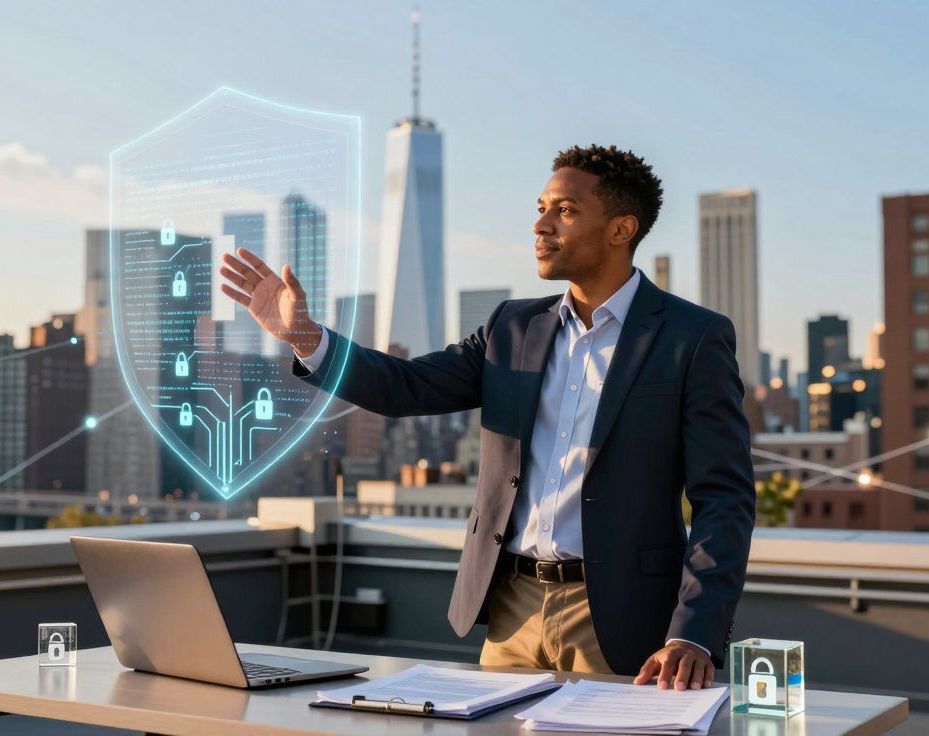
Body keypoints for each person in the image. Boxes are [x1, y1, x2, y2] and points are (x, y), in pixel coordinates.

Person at [218, 144, 755, 691]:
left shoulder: (692, 338)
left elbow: (725, 498)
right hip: (511, 610)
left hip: (623, 616)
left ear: (621, 230)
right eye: (541, 206)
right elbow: (407, 387)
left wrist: (693, 633)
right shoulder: (512, 328)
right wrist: (307, 337)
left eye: (564, 211)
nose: (539, 224)